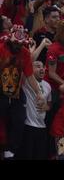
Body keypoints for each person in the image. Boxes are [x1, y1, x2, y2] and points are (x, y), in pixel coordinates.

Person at [0, 26, 43, 159]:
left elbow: (30, 76)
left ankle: (11, 149)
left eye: (20, 44)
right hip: (0, 93)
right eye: (15, 43)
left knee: (19, 120)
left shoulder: (24, 53)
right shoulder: (1, 49)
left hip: (17, 93)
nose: (18, 46)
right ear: (10, 40)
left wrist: (39, 93)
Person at [18, 61, 52, 159]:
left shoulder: (48, 86)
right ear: (31, 68)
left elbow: (49, 103)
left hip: (42, 127)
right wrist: (42, 45)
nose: (42, 69)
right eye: (38, 66)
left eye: (43, 67)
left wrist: (48, 107)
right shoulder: (27, 81)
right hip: (28, 126)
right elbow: (26, 62)